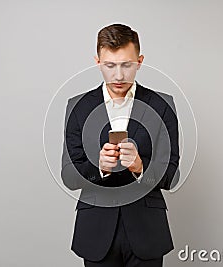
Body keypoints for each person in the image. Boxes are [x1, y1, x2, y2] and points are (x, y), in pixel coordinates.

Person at [61, 23, 180, 267]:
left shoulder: (162, 105)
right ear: (97, 62)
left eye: (127, 65)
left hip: (147, 231)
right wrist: (99, 168)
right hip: (96, 231)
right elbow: (69, 177)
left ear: (140, 61)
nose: (118, 75)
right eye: (110, 66)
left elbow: (172, 176)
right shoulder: (78, 107)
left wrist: (140, 166)